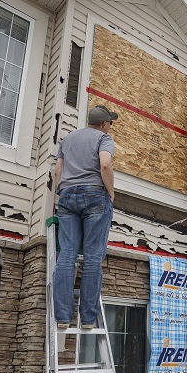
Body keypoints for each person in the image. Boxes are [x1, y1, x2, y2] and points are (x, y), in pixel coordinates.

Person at [52, 105, 117, 329]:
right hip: (95, 195)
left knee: (66, 255)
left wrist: (62, 191)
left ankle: (63, 317)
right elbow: (105, 164)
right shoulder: (103, 138)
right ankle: (88, 319)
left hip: (67, 195)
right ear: (105, 123)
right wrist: (110, 193)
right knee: (92, 257)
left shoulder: (68, 139)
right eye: (110, 123)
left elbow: (57, 171)